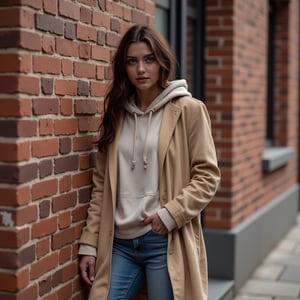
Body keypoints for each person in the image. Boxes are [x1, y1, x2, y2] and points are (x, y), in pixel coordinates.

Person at [78, 24, 221, 300]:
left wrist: (170, 214)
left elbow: (207, 176)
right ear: (124, 67)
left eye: (149, 59)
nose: (140, 69)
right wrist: (89, 243)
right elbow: (101, 187)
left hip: (164, 240)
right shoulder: (117, 115)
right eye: (132, 61)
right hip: (118, 242)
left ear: (162, 62)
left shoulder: (189, 110)